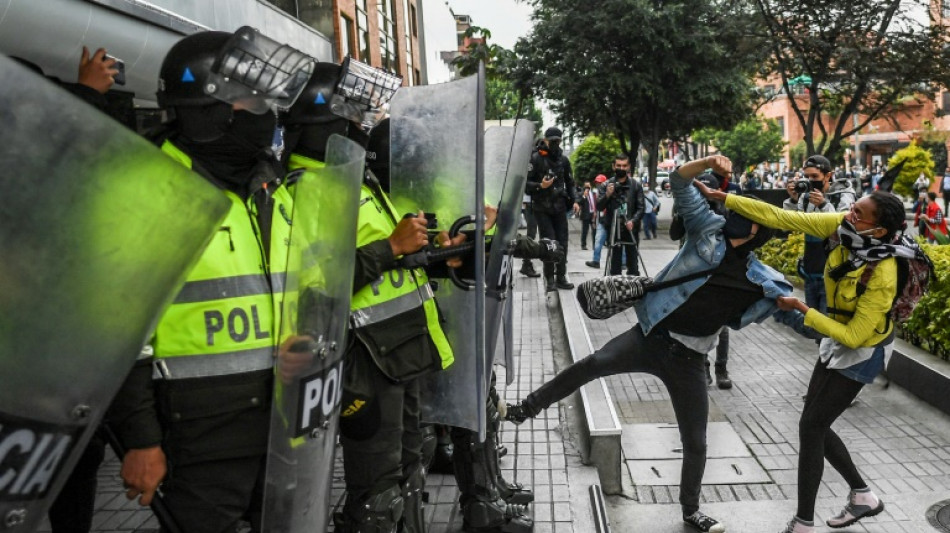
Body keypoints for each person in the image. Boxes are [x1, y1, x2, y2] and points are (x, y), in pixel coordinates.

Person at [507, 155, 792, 533]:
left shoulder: (766, 281)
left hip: (690, 360)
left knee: (696, 441)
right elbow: (678, 180)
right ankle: (523, 410)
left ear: (758, 226)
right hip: (650, 337)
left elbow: (798, 318)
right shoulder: (708, 230)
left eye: (743, 208)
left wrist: (834, 323)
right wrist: (707, 162)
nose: (731, 209)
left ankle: (691, 510)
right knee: (591, 365)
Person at [106, 29, 309, 531]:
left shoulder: (269, 187)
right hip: (201, 437)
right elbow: (118, 333)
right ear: (207, 109)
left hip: (284, 424)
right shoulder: (150, 191)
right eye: (252, 100)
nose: (266, 114)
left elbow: (297, 290)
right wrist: (140, 440)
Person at [697, 184, 911, 533]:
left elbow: (856, 336)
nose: (849, 215)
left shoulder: (883, 272)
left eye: (859, 214)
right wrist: (721, 197)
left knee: (811, 426)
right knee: (814, 424)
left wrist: (801, 309)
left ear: (880, 230)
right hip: (835, 337)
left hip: (863, 351)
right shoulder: (843, 227)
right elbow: (783, 216)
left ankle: (803, 523)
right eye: (852, 208)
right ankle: (863, 497)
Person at [784, 155, 855, 316]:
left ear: (828, 175)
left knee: (826, 328)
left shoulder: (842, 196)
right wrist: (793, 200)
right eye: (807, 176)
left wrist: (824, 205)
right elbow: (790, 223)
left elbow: (844, 228)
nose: (810, 180)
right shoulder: (806, 196)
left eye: (815, 176)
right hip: (811, 272)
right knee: (814, 326)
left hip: (833, 273)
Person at [526, 127, 579, 291]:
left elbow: (570, 183)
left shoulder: (563, 160)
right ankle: (549, 278)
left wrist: (576, 200)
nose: (555, 143)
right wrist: (540, 186)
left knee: (562, 242)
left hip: (559, 207)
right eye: (552, 140)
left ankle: (561, 276)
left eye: (558, 140)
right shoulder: (535, 159)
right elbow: (525, 185)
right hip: (542, 208)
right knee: (549, 243)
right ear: (546, 140)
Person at [598, 154, 645, 276]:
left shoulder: (636, 185)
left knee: (633, 263)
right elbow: (599, 206)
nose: (621, 168)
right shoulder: (606, 185)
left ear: (629, 167)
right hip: (613, 228)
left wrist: (633, 221)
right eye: (618, 165)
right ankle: (615, 289)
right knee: (615, 263)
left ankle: (634, 290)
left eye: (624, 166)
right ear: (613, 166)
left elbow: (641, 208)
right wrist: (608, 195)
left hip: (631, 229)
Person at [586, 173, 609, 269]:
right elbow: (596, 208)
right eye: (597, 183)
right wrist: (594, 219)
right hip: (602, 221)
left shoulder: (609, 192)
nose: (598, 185)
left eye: (600, 183)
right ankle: (596, 261)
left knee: (618, 241)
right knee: (598, 240)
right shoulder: (597, 194)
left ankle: (623, 262)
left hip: (610, 219)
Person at [579, 180, 597, 249]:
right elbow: (579, 202)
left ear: (590, 186)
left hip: (593, 214)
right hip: (585, 215)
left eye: (588, 186)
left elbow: (596, 203)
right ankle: (583, 245)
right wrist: (584, 196)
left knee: (594, 230)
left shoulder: (593, 193)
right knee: (585, 231)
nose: (587, 188)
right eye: (586, 186)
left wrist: (595, 212)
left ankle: (595, 245)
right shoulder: (582, 194)